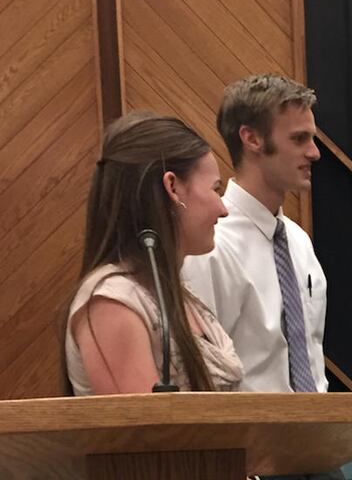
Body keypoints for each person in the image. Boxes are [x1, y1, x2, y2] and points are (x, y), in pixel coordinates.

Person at [63, 111, 242, 395]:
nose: (223, 209)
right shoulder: (113, 301)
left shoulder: (175, 292)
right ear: (172, 187)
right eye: (215, 189)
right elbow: (147, 422)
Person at [182, 73, 328, 393]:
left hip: (318, 421)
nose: (314, 152)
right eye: (299, 139)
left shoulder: (298, 241)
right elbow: (200, 375)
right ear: (252, 139)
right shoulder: (209, 244)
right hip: (246, 423)